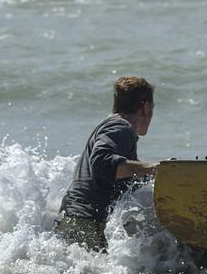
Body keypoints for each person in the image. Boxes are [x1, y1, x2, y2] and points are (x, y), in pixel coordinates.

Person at [55, 76, 159, 251]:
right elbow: (102, 164)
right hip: (86, 224)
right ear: (145, 107)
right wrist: (154, 168)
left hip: (73, 219)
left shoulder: (110, 126)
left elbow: (117, 175)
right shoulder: (120, 128)